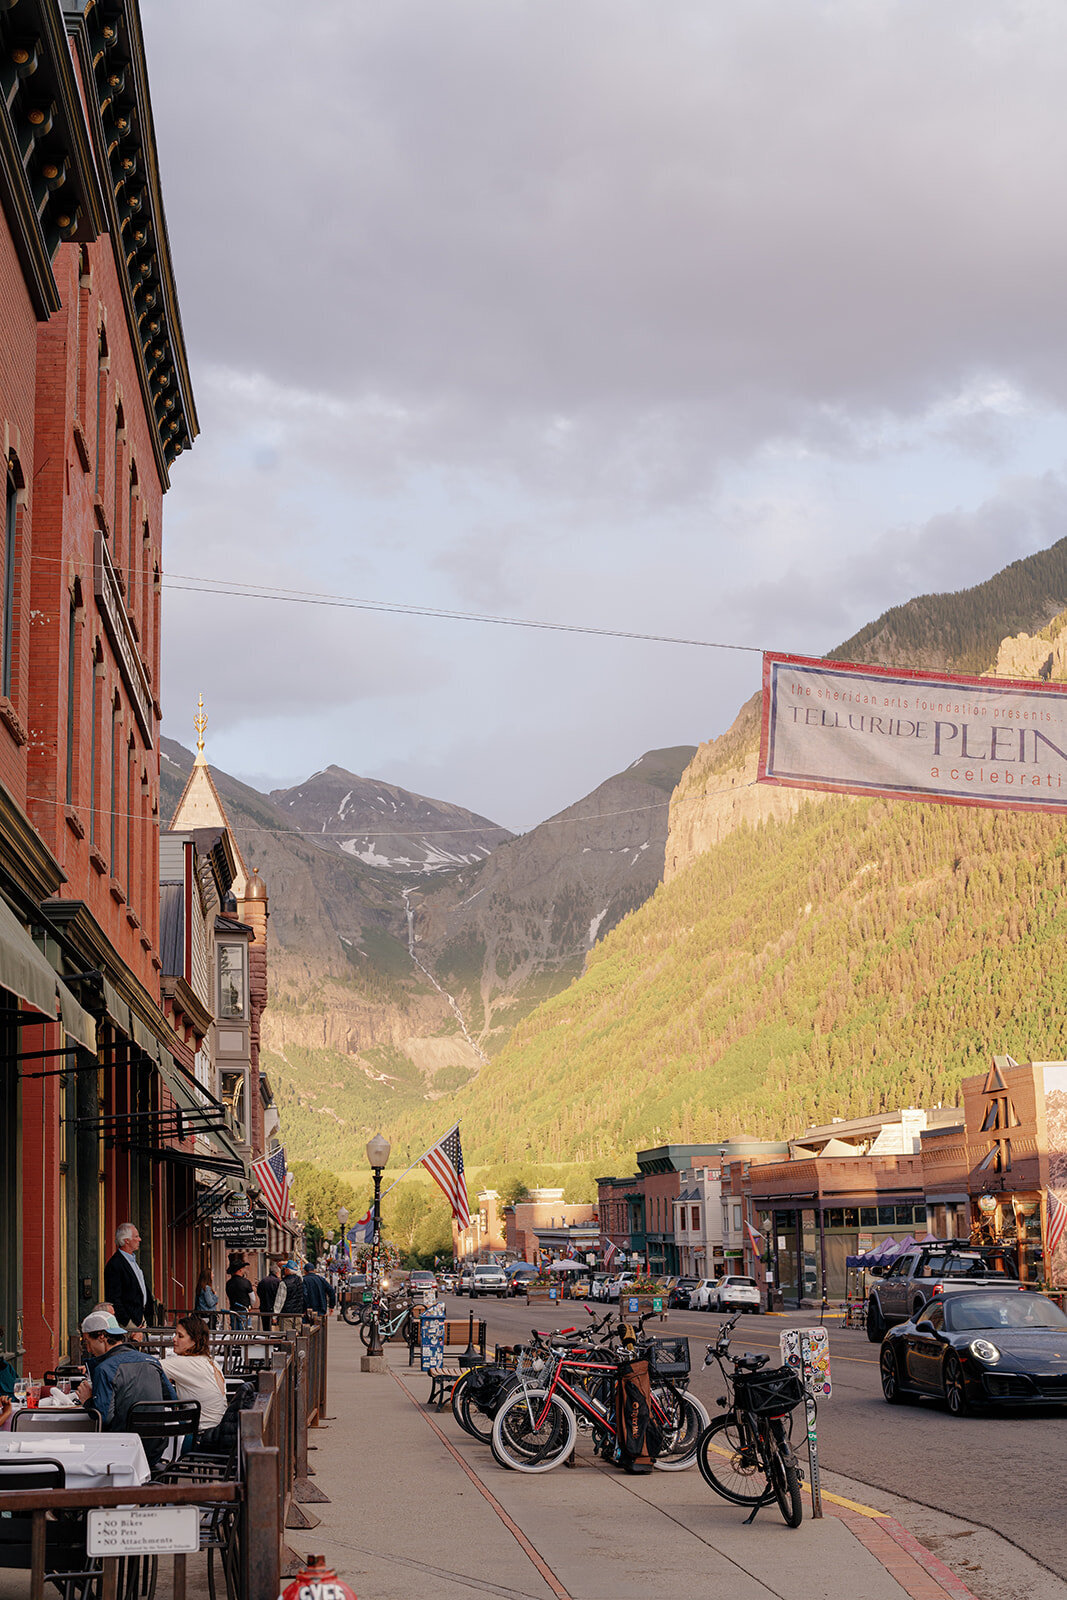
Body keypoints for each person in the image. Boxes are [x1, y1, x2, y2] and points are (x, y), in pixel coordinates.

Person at [76, 1310, 177, 1466]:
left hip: (120, 1451)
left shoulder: (105, 1369)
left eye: (88, 1342)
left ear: (102, 1336)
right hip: (155, 1450)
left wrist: (88, 1401)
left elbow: (103, 1418)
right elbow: (172, 1401)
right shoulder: (151, 1361)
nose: (88, 1349)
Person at [159, 1315, 227, 1443]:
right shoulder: (210, 1362)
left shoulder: (185, 1363)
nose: (174, 1339)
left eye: (180, 1336)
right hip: (216, 1432)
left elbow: (146, 1366)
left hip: (201, 1437)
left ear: (194, 1341)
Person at [103, 1222, 156, 1329]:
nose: (140, 1239)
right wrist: (129, 1324)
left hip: (141, 1320)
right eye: (136, 1236)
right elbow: (114, 1299)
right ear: (126, 1240)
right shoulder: (115, 1264)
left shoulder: (133, 1261)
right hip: (129, 1325)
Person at [225, 1256, 257, 1330]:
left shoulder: (228, 1283)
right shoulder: (246, 1282)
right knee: (244, 1332)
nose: (243, 1271)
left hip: (233, 1310)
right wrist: (250, 1306)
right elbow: (253, 1299)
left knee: (235, 1332)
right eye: (243, 1269)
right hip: (244, 1311)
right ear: (239, 1270)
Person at [257, 1259, 282, 1330]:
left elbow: (259, 1293)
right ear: (277, 1272)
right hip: (274, 1308)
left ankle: (266, 1339)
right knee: (275, 1329)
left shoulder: (262, 1281)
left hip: (264, 1307)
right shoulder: (278, 1282)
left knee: (266, 1328)